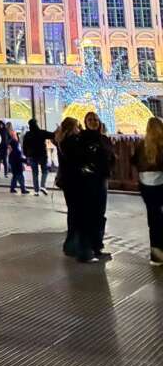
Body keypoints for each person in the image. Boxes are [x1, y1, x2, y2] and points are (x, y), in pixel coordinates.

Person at [65, 111, 115, 263]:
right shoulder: (81, 138)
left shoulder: (104, 139)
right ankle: (84, 250)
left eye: (96, 119)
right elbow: (73, 155)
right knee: (87, 215)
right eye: (90, 119)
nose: (94, 121)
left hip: (101, 180)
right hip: (87, 182)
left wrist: (109, 166)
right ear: (85, 122)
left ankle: (97, 246)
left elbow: (110, 156)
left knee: (100, 214)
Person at [131, 117, 163, 266]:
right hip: (161, 183)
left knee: (153, 218)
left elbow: (134, 161)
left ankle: (156, 255)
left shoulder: (141, 144)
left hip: (146, 185)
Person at [54, 116, 81, 256]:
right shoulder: (71, 142)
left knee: (72, 211)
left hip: (66, 180)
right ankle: (71, 245)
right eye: (77, 126)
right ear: (72, 128)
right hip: (73, 180)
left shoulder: (60, 140)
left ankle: (71, 244)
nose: (78, 129)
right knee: (75, 213)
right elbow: (76, 159)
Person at [22, 118, 55, 195]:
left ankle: (36, 191)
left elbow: (24, 146)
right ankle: (43, 186)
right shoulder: (41, 132)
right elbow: (52, 135)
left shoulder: (28, 134)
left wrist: (26, 155)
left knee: (35, 173)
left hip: (32, 156)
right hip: (42, 155)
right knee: (44, 171)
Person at [8, 126, 27, 194]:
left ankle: (12, 188)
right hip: (18, 167)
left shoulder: (12, 152)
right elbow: (19, 159)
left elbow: (10, 160)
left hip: (14, 167)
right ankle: (23, 189)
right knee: (21, 178)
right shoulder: (17, 151)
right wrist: (26, 161)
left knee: (15, 177)